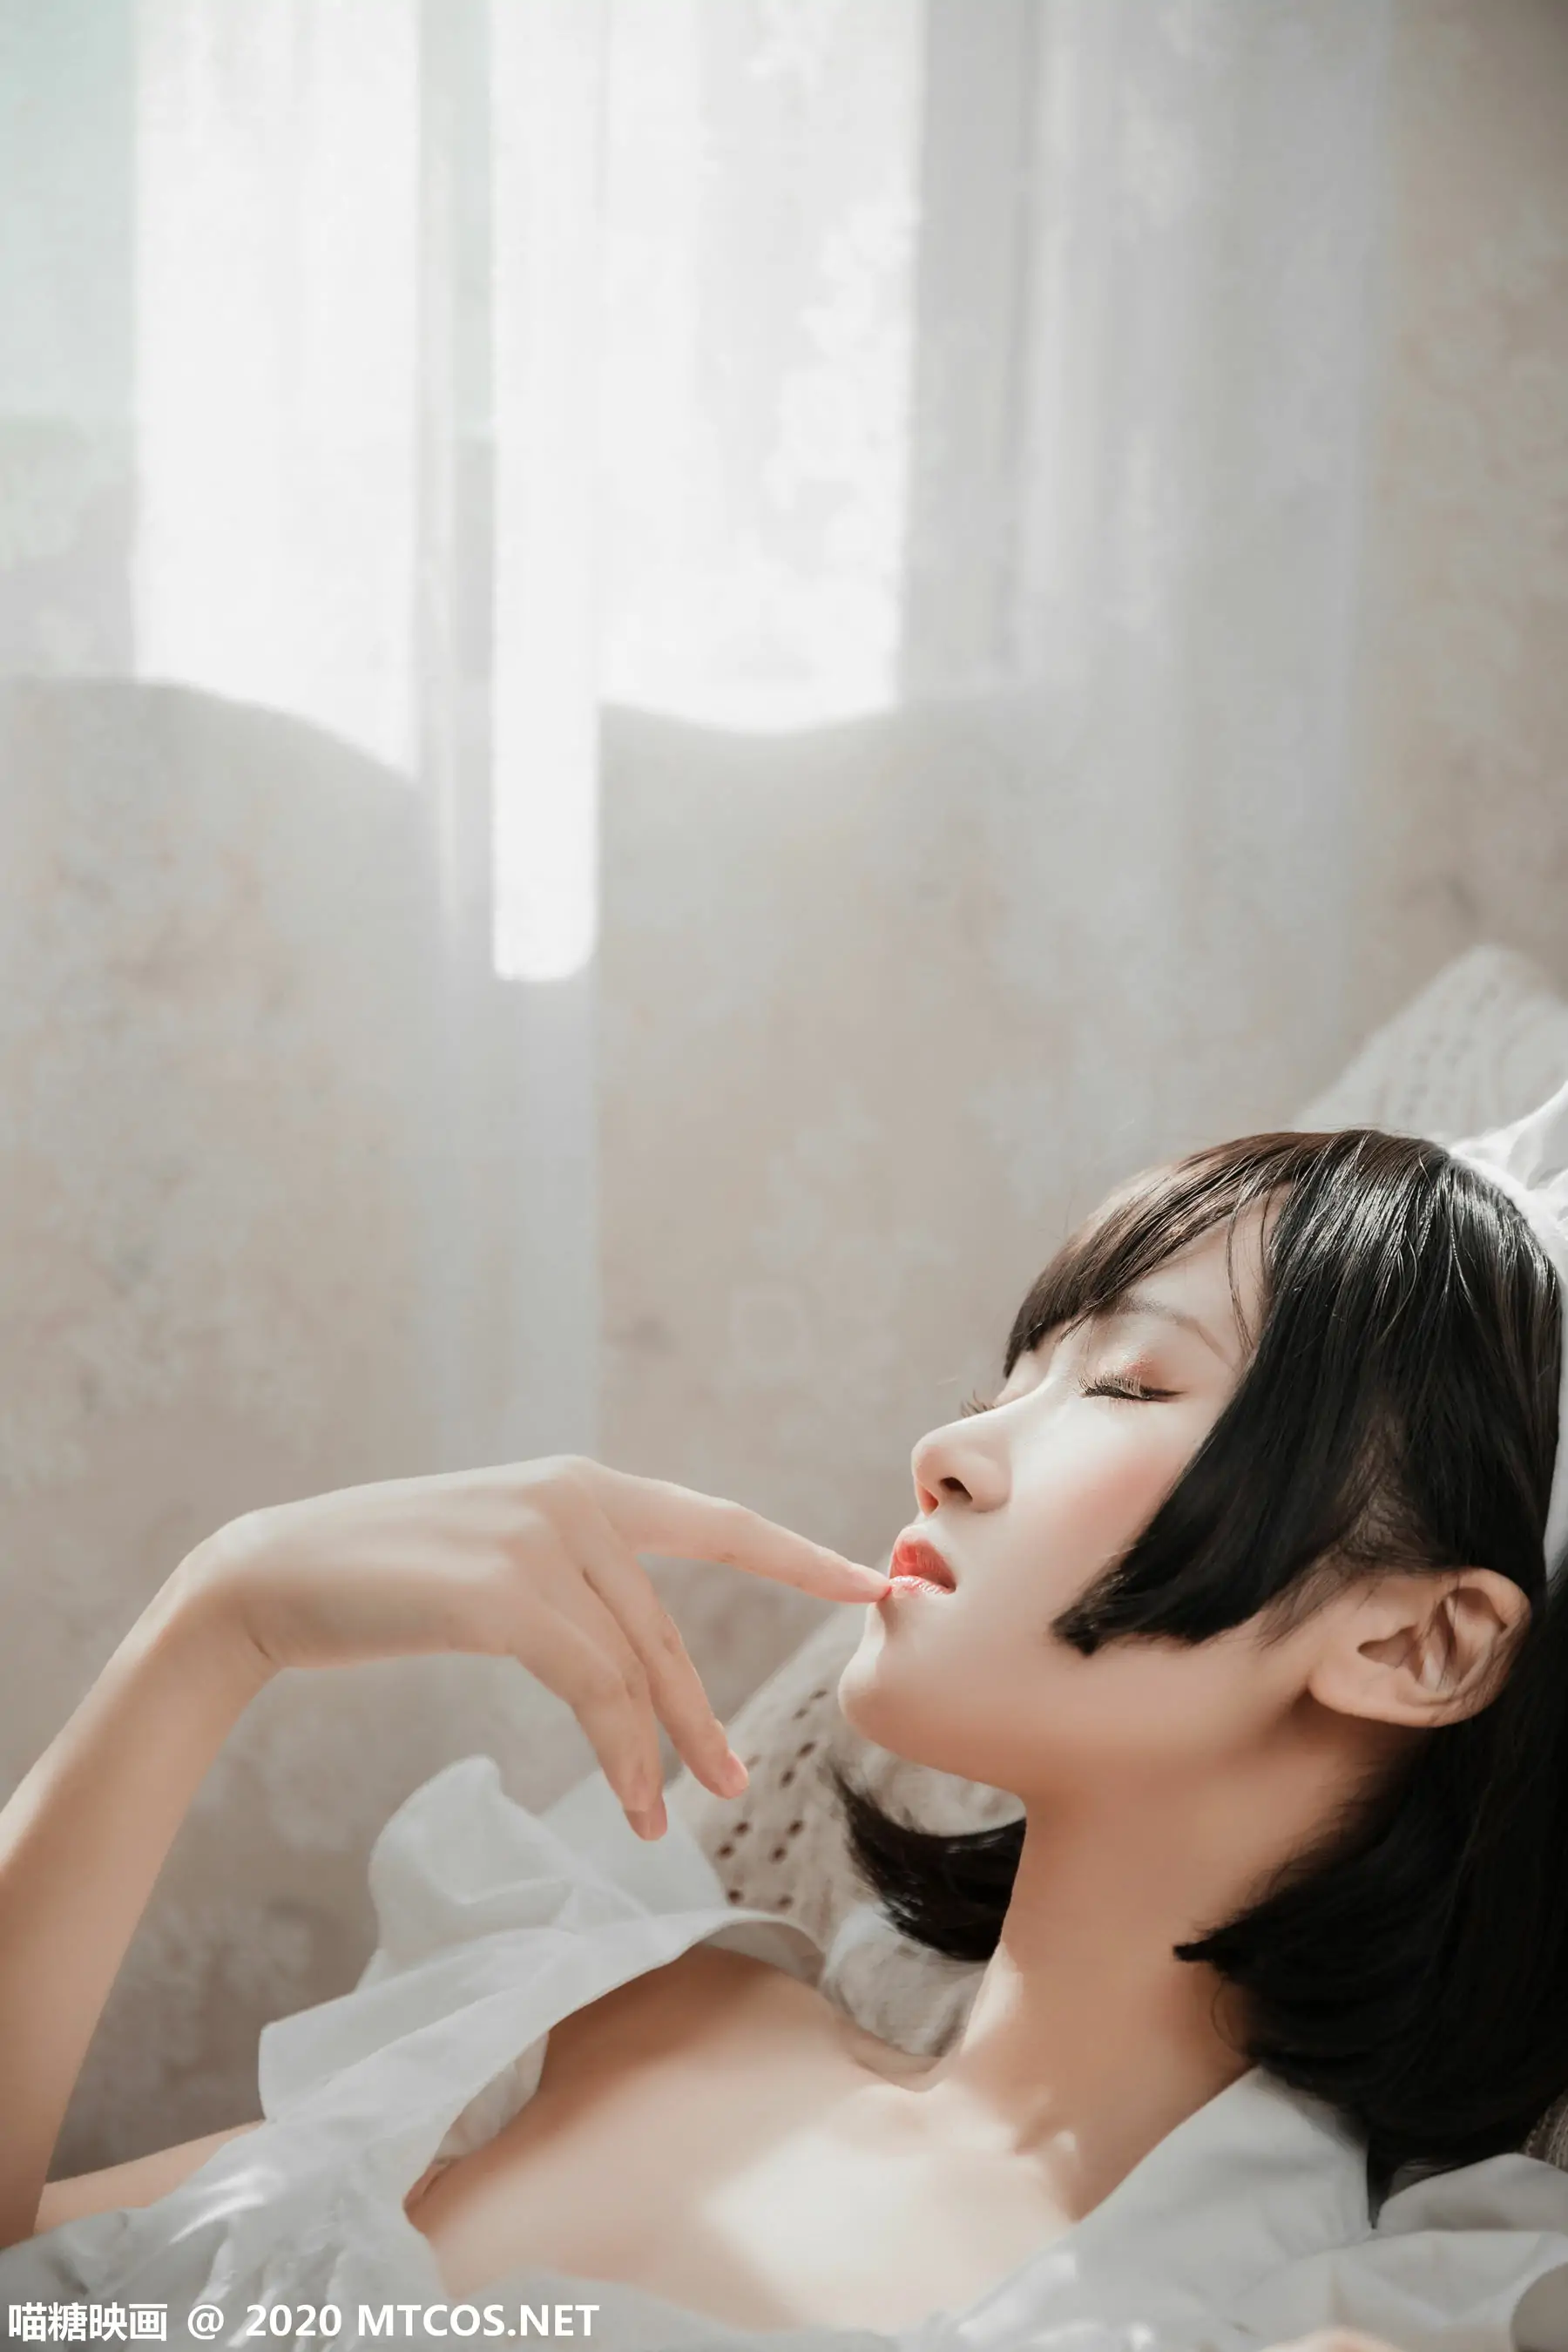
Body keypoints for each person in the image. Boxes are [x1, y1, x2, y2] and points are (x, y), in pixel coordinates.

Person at [3, 1096, 1568, 2352]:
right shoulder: (618, 2014)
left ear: (1418, 1642)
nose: (947, 1447)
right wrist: (220, 1623)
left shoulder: (1292, 2317)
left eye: (1131, 1386)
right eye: (1012, 1380)